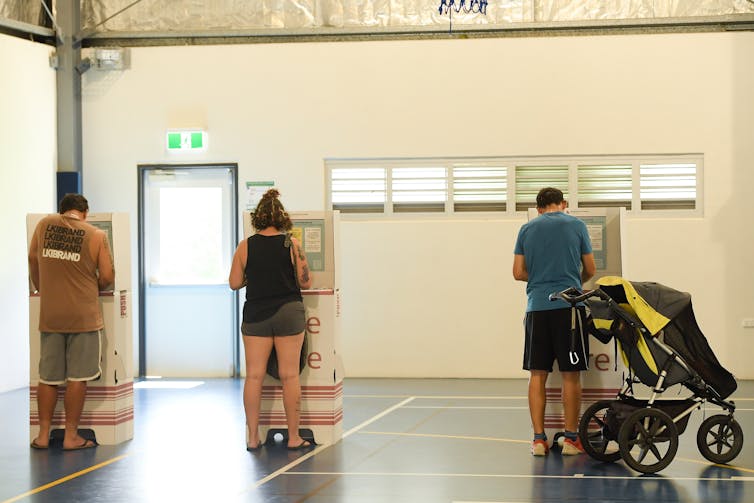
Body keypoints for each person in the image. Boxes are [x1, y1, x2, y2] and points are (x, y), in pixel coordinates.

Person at [512, 187, 596, 456]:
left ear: (538, 208)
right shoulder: (577, 225)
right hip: (569, 308)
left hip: (537, 307)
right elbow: (591, 269)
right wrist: (572, 285)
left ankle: (538, 439)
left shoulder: (527, 229)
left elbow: (517, 272)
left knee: (537, 374)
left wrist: (539, 281)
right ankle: (571, 439)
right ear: (563, 204)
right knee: (571, 374)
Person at [28, 193, 115, 450]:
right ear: (85, 212)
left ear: (62, 210)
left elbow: (33, 259)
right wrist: (94, 284)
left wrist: (41, 286)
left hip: (51, 314)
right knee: (78, 377)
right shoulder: (96, 235)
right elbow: (108, 276)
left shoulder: (44, 225)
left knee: (48, 377)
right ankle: (71, 437)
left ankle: (43, 436)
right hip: (83, 317)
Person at [229, 189, 313, 451]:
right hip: (288, 311)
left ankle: (253, 438)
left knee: (254, 376)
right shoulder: (292, 245)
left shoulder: (246, 246)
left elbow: (233, 283)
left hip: (256, 315)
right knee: (289, 376)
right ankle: (293, 437)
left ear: (258, 218)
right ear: (282, 217)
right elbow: (305, 281)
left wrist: (251, 278)